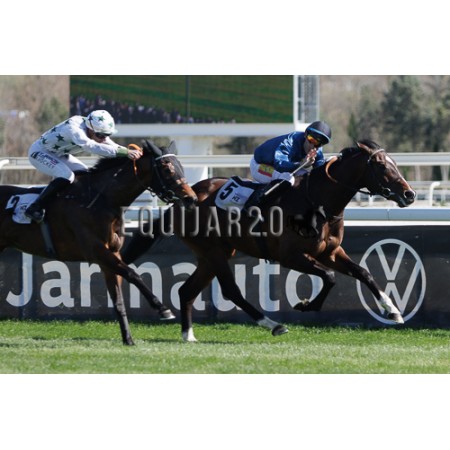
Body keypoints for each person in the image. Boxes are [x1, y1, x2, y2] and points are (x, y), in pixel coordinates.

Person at [24, 109, 143, 223]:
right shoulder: (74, 129)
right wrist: (125, 152)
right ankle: (35, 207)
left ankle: (68, 205)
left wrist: (129, 152)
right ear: (90, 129)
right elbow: (91, 146)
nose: (103, 139)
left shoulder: (94, 129)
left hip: (59, 154)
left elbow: (110, 144)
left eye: (106, 135)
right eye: (100, 135)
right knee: (67, 175)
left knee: (85, 174)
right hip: (40, 152)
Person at [243, 121, 332, 212]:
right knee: (287, 179)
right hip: (260, 165)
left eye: (318, 143)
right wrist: (301, 164)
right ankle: (252, 205)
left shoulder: (317, 149)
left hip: (283, 167)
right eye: (311, 139)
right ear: (305, 134)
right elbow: (280, 165)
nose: (313, 145)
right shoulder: (289, 142)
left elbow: (320, 170)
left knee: (306, 179)